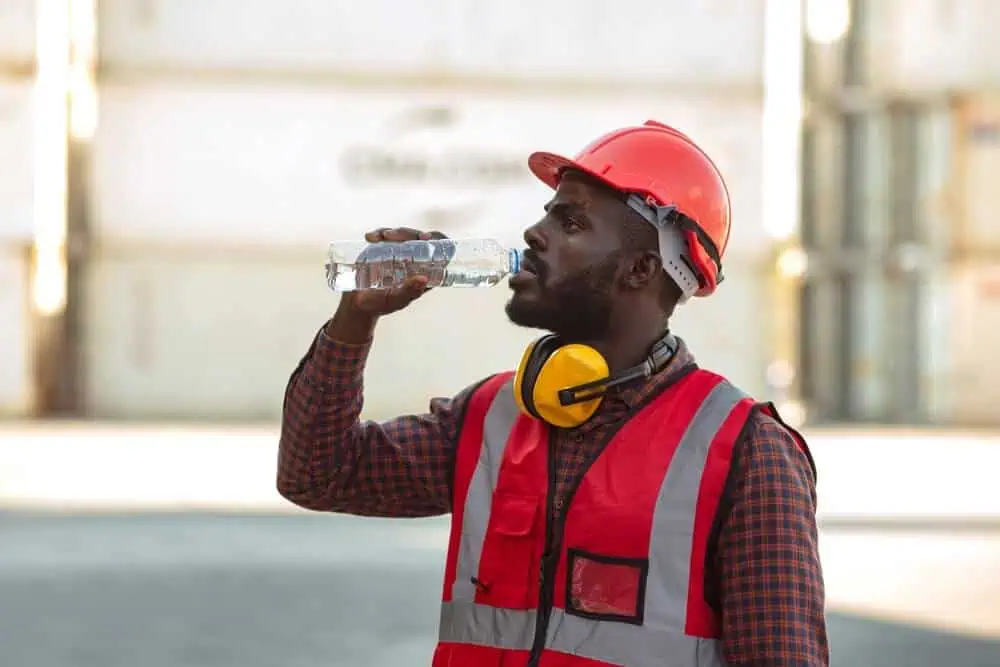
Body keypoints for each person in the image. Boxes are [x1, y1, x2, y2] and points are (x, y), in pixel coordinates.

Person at [277, 120, 829, 667]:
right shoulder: (489, 417)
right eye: (547, 213)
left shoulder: (748, 454)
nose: (534, 234)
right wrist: (354, 322)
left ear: (639, 268)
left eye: (570, 221)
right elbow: (316, 474)